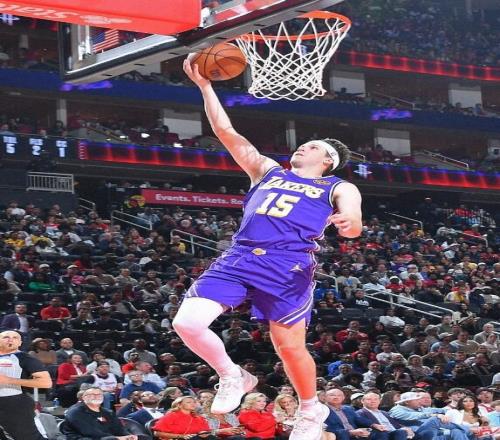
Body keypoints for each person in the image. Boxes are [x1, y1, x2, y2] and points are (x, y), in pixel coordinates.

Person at [173, 59, 363, 440]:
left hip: (288, 264)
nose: (302, 146)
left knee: (288, 347)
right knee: (186, 323)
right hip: (240, 256)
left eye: (312, 146)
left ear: (327, 160)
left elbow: (354, 218)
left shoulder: (336, 186)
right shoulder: (267, 171)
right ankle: (232, 374)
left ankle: (310, 409)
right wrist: (206, 87)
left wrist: (349, 222)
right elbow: (226, 132)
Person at [0, 330, 52, 439]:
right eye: (6, 337)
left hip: (14, 403)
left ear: (20, 343)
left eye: (15, 337)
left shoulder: (24, 358)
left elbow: (46, 383)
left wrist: (9, 380)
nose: (10, 339)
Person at [64, 387, 138, 440]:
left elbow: (119, 429)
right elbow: (90, 432)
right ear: (84, 398)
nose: (96, 397)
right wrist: (116, 438)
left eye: (99, 394)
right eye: (92, 394)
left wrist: (128, 436)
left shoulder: (108, 412)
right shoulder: (75, 412)